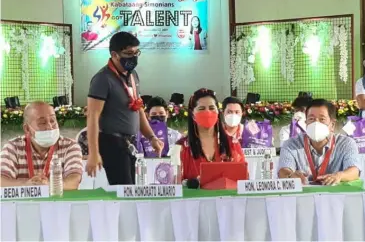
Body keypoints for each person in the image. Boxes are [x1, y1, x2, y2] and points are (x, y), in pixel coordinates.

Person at [86, 31, 164, 185]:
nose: (133, 57)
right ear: (114, 55)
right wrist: (93, 153)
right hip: (111, 143)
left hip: (130, 143)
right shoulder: (103, 79)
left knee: (133, 190)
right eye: (128, 53)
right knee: (124, 193)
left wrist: (151, 137)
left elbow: (138, 108)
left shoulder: (132, 75)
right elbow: (92, 116)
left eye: (136, 53)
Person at [0, 102, 83, 189]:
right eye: (42, 123)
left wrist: (48, 186)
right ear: (27, 129)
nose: (50, 127)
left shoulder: (70, 146)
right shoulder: (13, 147)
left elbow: (74, 181)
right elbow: (2, 181)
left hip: (57, 201)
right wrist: (27, 185)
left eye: (53, 120)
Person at [277, 99, 360, 186]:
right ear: (306, 123)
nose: (316, 124)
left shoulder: (346, 144)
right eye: (311, 119)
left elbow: (354, 171)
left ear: (332, 125)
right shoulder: (291, 144)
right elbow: (283, 170)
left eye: (322, 119)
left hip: (334, 196)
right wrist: (290, 176)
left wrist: (339, 176)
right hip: (304, 197)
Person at [179, 88, 245, 181]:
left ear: (218, 112)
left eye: (212, 108)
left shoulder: (232, 144)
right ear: (193, 114)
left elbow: (242, 177)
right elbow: (175, 182)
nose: (208, 112)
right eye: (202, 109)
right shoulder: (182, 147)